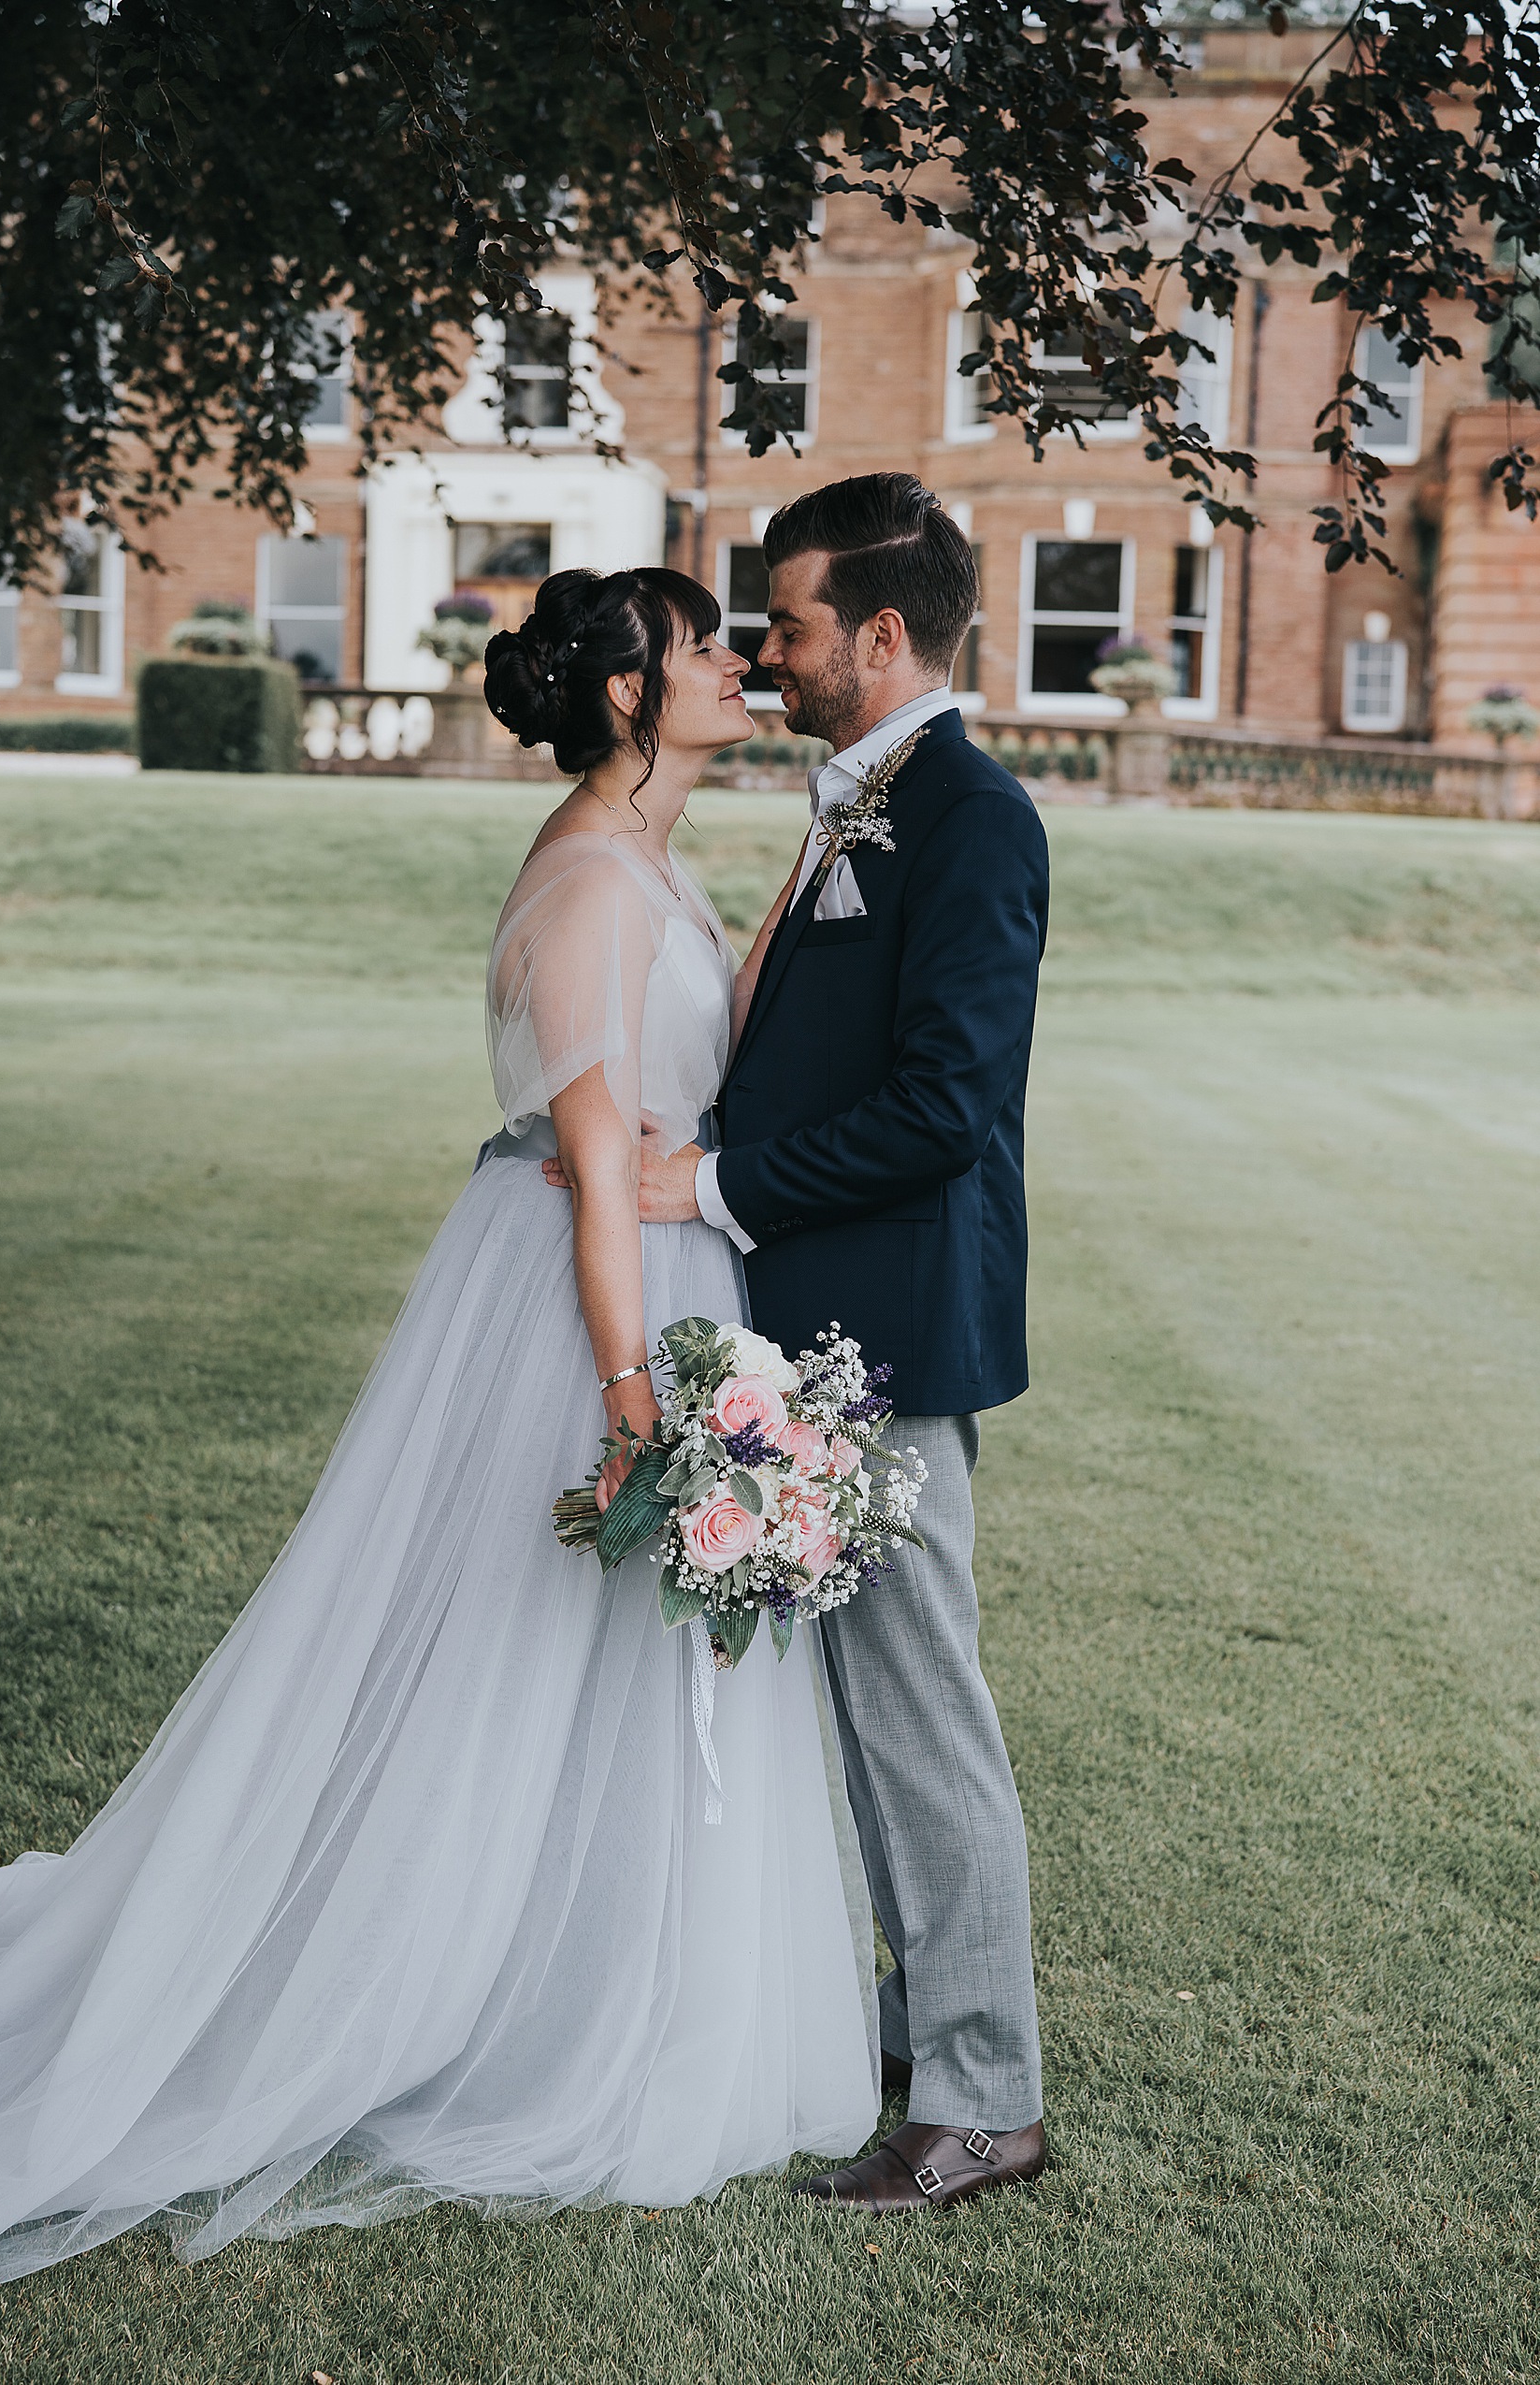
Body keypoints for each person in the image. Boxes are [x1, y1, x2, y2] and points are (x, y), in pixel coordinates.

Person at [0, 568, 880, 2295]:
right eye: (700, 648)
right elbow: (600, 1164)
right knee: (519, 1659)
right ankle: (478, 1997)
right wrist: (636, 1405)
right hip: (593, 1304)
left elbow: (695, 1086)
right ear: (625, 694)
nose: (737, 661)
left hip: (667, 1275)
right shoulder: (590, 881)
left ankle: (594, 1979)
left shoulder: (648, 864)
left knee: (594, 1673)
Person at [587, 474, 1052, 2212]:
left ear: (877, 633)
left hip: (895, 1338)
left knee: (923, 1716)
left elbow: (946, 1110)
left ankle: (986, 2094)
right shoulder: (857, 801)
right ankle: (916, 2029)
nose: (765, 653)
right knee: (859, 1724)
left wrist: (711, 1178)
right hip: (814, 1328)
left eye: (785, 624)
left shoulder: (973, 819)